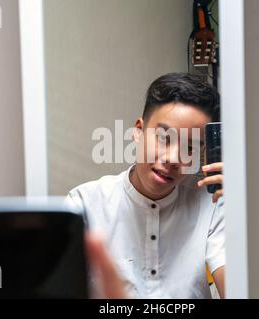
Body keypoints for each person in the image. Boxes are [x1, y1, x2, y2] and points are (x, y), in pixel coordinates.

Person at [66, 73, 225, 298]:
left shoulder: (212, 204)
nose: (173, 158)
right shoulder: (83, 204)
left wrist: (241, 211)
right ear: (139, 131)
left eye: (190, 148)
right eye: (164, 138)